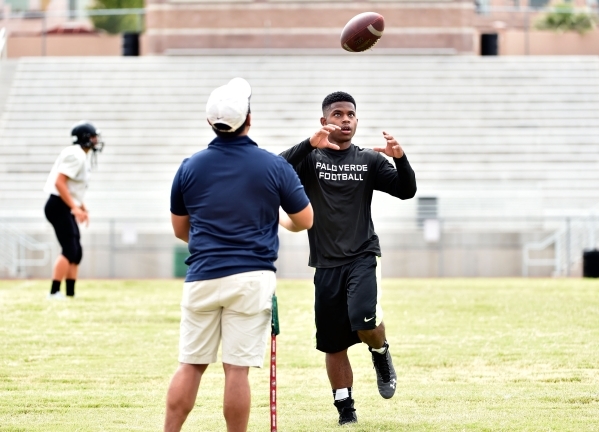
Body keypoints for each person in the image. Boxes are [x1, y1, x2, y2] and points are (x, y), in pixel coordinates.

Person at [164, 77, 313, 432]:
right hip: (251, 278)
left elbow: (180, 230)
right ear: (249, 118)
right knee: (236, 370)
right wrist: (275, 218)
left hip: (202, 274)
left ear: (209, 123)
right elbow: (305, 219)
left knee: (191, 364)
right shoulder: (273, 166)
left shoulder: (190, 167)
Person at [279, 91, 417, 425]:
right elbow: (274, 168)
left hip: (362, 255)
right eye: (337, 114)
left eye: (351, 114)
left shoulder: (368, 160)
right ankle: (346, 410)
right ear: (324, 121)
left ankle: (381, 353)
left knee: (363, 319)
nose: (345, 120)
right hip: (325, 263)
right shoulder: (310, 159)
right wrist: (308, 144)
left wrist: (400, 158)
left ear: (357, 121)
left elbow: (406, 189)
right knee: (332, 342)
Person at [43, 121, 104, 299]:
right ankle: (54, 292)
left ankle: (70, 293)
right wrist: (74, 208)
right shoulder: (76, 155)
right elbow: (59, 183)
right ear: (85, 138)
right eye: (93, 137)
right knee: (69, 249)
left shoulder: (81, 155)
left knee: (76, 251)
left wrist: (82, 207)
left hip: (63, 204)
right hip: (57, 205)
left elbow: (72, 188)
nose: (96, 140)